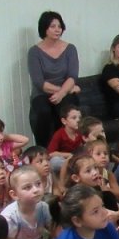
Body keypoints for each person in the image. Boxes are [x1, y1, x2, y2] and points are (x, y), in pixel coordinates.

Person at [27, 10, 82, 147]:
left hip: (65, 92)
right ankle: (44, 149)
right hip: (43, 93)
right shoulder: (34, 52)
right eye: (53, 26)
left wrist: (63, 93)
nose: (57, 30)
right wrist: (64, 90)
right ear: (44, 28)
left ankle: (66, 147)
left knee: (65, 111)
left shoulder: (70, 49)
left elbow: (72, 76)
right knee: (43, 112)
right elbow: (39, 82)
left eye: (59, 26)